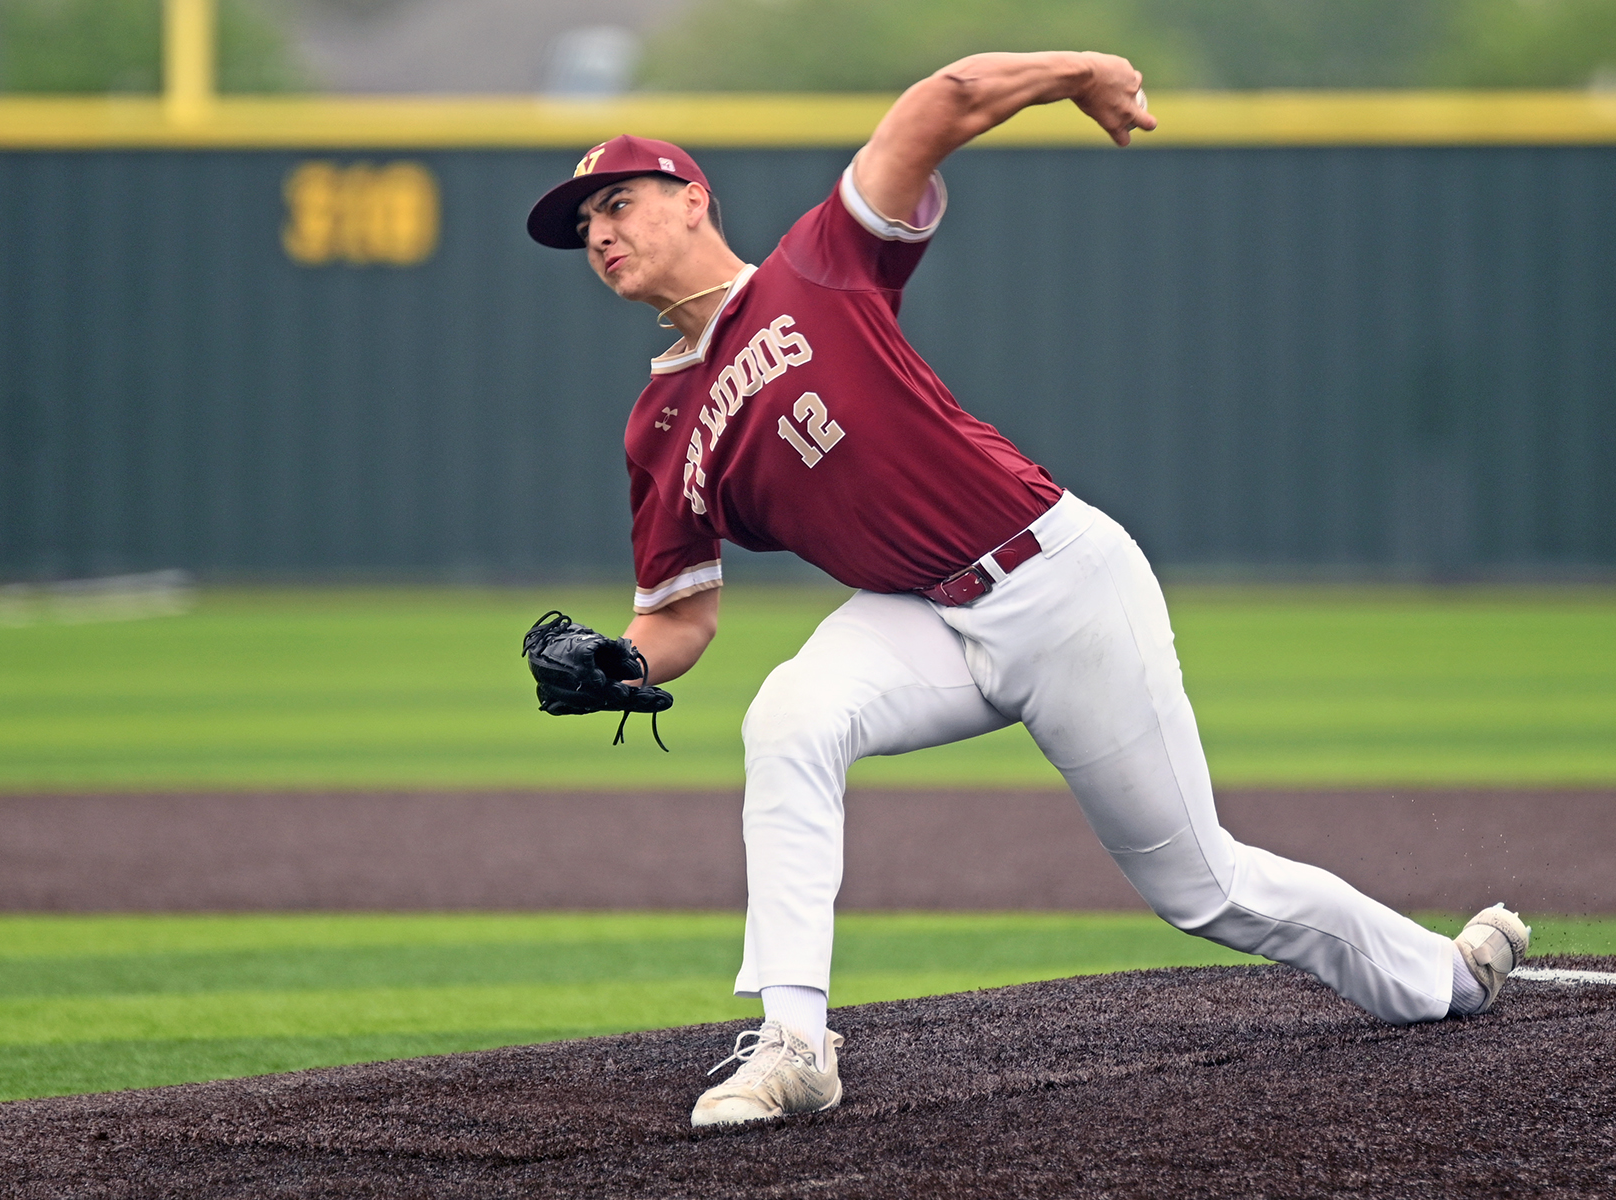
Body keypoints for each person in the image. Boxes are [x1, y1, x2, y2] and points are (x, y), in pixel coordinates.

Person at [523, 50, 1531, 1128]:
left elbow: (940, 106)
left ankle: (1444, 979)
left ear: (693, 198)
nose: (599, 235)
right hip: (920, 616)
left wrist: (1081, 70)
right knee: (789, 717)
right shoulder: (659, 426)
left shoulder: (812, 269)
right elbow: (679, 613)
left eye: (617, 204)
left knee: (1204, 889)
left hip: (1059, 584)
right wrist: (626, 659)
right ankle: (794, 1041)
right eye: (583, 226)